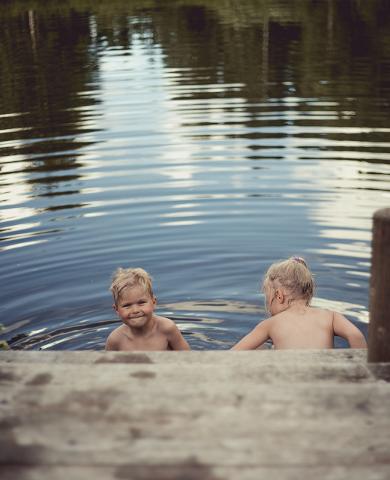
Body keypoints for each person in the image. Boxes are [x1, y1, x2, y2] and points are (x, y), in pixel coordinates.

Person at [231, 256, 367, 350]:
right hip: (326, 380)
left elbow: (235, 353)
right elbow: (356, 335)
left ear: (279, 296)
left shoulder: (270, 324)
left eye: (268, 298)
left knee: (259, 348)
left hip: (290, 384)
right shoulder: (330, 316)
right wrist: (361, 372)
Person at [105, 267, 190, 351]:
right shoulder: (115, 340)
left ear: (153, 302)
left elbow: (188, 357)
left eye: (141, 303)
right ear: (116, 309)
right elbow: (106, 364)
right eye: (127, 305)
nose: (135, 310)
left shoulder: (166, 328)